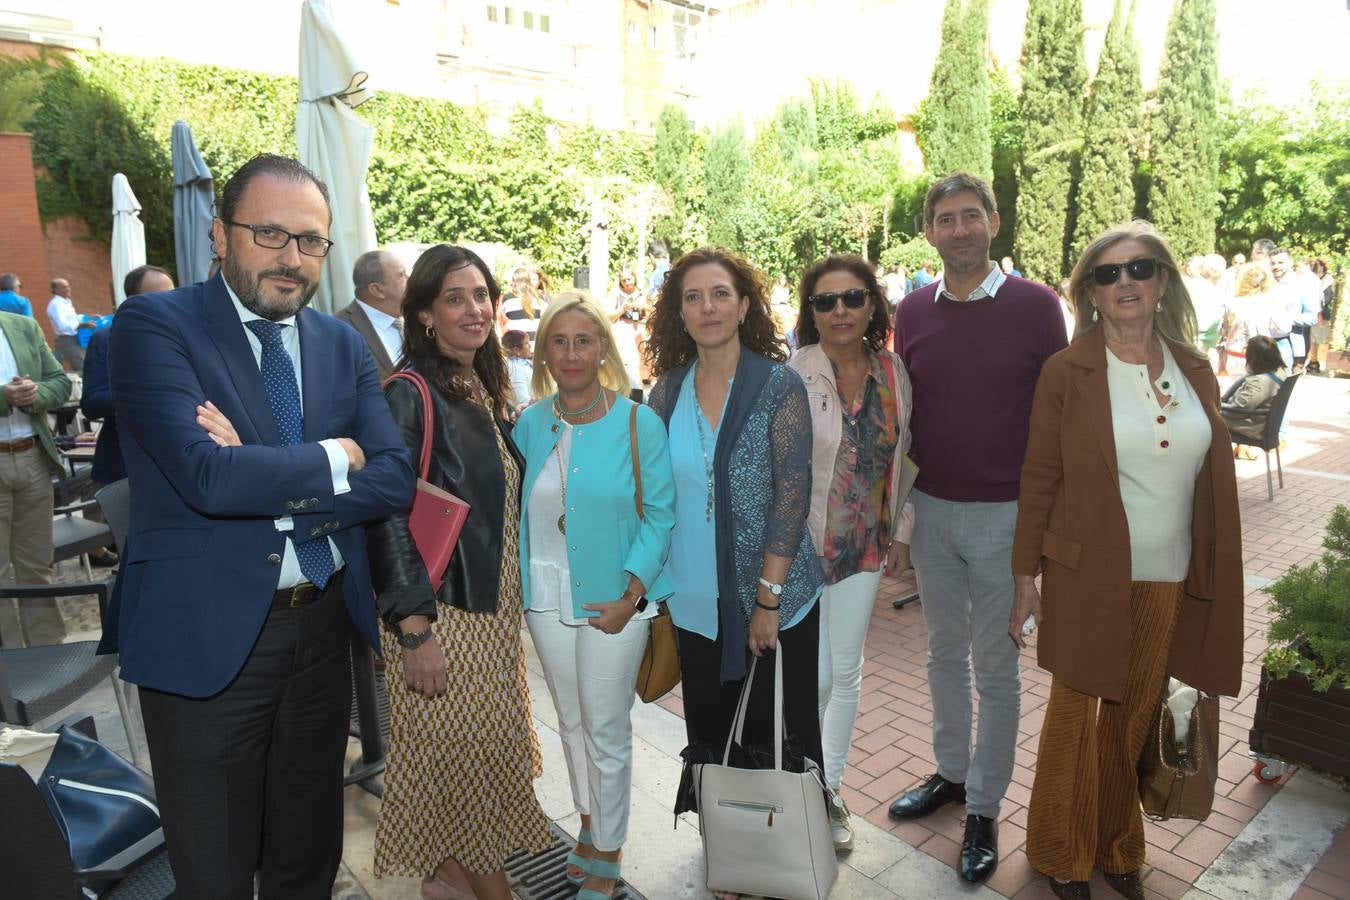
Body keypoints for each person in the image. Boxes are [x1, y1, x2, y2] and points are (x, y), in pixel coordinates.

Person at [101, 154, 414, 899]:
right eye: (269, 233)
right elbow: (206, 478)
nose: (292, 257)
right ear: (218, 235)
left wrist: (270, 473)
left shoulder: (340, 344)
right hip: (204, 637)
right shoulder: (154, 325)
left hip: (321, 627)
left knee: (306, 852)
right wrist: (337, 455)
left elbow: (395, 476)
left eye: (310, 241)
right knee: (214, 865)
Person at [1009, 221, 1243, 900]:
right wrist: (1026, 575)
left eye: (1139, 269)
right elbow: (1039, 477)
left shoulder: (1194, 367)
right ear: (1089, 294)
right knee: (1080, 716)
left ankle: (1117, 844)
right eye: (1108, 275)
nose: (1126, 284)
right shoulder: (1068, 371)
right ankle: (1060, 850)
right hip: (1089, 575)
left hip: (1172, 575)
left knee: (1135, 714)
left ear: (1162, 280)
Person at [887, 172, 1066, 885]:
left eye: (971, 216)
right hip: (932, 510)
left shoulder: (1037, 307)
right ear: (928, 231)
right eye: (944, 218)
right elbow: (909, 426)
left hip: (1006, 518)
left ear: (993, 222)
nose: (958, 229)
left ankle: (986, 808)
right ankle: (952, 775)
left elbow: (1056, 421)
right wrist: (902, 522)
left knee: (995, 669)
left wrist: (1044, 533)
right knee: (939, 655)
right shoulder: (911, 310)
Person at [368, 244, 551, 900]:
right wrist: (415, 632)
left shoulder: (478, 385)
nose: (475, 309)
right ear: (422, 316)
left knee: (464, 761)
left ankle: (447, 873)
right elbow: (383, 518)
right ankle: (491, 891)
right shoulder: (407, 395)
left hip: (489, 614)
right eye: (455, 298)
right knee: (471, 763)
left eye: (482, 295)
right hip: (443, 616)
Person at [645, 248, 824, 898]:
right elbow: (654, 495)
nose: (707, 308)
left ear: (744, 304)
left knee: (775, 733)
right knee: (712, 732)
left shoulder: (779, 386)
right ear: (680, 312)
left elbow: (791, 495)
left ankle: (782, 851)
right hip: (694, 602)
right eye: (692, 297)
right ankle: (728, 848)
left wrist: (767, 600)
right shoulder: (665, 391)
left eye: (719, 294)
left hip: (770, 600)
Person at [516, 293, 676, 900]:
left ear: (604, 347)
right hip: (546, 595)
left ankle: (609, 849)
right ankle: (588, 824)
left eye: (585, 340)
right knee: (571, 718)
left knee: (606, 726)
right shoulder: (531, 423)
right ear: (544, 353)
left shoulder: (639, 422)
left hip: (616, 600)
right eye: (560, 341)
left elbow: (660, 516)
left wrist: (632, 596)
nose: (572, 353)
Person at [787, 254, 916, 850]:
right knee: (813, 677)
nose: (840, 311)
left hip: (867, 544)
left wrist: (902, 530)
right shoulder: (793, 374)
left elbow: (903, 457)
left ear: (872, 305)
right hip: (808, 547)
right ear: (811, 312)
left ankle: (827, 791)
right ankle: (801, 782)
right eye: (825, 301)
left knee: (847, 670)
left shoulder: (893, 370)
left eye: (853, 298)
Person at [79, 264, 175, 568]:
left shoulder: (185, 337)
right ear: (132, 301)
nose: (169, 304)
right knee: (135, 560)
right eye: (159, 297)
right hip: (125, 466)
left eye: (172, 296)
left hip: (182, 465)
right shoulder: (106, 339)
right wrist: (144, 391)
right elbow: (92, 402)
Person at [0, 309, 71, 648]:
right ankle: (9, 670)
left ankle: (48, 655)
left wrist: (33, 393)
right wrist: (4, 397)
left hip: (31, 457)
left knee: (37, 564)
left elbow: (60, 384)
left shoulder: (22, 325)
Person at [335, 249, 408, 380]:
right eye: (402, 275)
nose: (410, 280)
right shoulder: (337, 330)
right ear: (377, 290)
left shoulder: (419, 317)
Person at [1220, 335, 1288, 454]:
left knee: (1202, 420)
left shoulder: (1259, 382)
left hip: (1252, 427)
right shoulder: (1280, 372)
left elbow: (1235, 413)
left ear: (1254, 358)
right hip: (1264, 425)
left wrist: (1214, 408)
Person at [605, 269, 645, 391]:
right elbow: (609, 316)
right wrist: (622, 309)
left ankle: (637, 390)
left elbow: (652, 312)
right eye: (624, 280)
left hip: (638, 331)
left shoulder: (642, 293)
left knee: (638, 365)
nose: (627, 283)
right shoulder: (616, 294)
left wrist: (642, 307)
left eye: (629, 279)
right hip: (622, 333)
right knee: (624, 364)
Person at [47, 277, 92, 371]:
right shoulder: (56, 305)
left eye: (68, 286)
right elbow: (62, 326)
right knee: (82, 367)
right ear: (55, 290)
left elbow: (73, 319)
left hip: (75, 337)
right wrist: (82, 325)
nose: (68, 289)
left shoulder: (66, 302)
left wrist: (89, 317)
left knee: (84, 365)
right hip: (65, 340)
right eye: (64, 287)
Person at [500, 266, 542, 336]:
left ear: (513, 281)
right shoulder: (538, 299)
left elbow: (501, 320)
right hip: (536, 342)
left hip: (516, 343)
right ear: (529, 281)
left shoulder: (507, 299)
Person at [502, 328, 534, 409]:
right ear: (516, 350)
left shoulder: (524, 363)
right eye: (526, 343)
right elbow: (522, 400)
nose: (530, 345)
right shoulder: (514, 368)